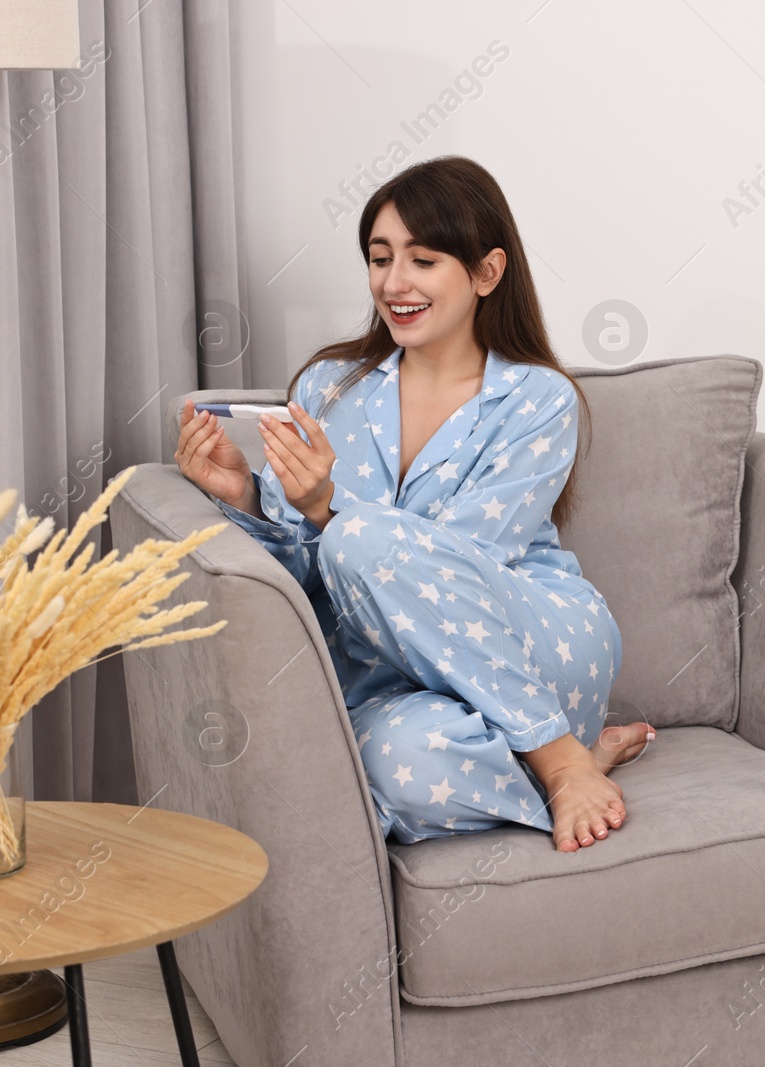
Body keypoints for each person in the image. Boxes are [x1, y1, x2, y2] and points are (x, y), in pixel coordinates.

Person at [174, 155, 651, 853]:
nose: (394, 283)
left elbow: (451, 567)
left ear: (486, 273)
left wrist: (328, 514)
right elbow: (305, 582)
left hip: (535, 638)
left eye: (423, 260)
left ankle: (560, 755)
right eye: (379, 258)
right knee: (404, 770)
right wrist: (245, 493)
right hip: (399, 684)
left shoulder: (537, 399)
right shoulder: (327, 387)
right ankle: (570, 765)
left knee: (357, 538)